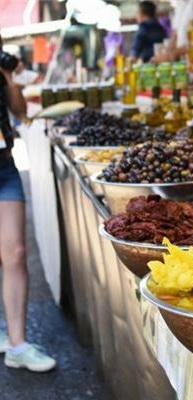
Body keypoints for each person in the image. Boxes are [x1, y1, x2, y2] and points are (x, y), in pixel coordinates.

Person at [0, 36, 56, 372]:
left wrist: (10, 79)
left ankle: (18, 345)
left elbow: (20, 113)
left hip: (4, 166)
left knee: (16, 253)